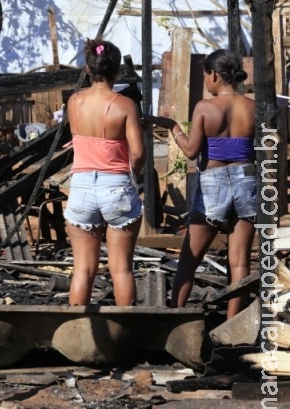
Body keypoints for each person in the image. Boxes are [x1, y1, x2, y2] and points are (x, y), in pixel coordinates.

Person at [148, 49, 255, 319]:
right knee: (240, 261)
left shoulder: (205, 108)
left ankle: (174, 321)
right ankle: (233, 327)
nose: (206, 81)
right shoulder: (253, 106)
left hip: (213, 185)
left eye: (206, 75)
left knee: (188, 261)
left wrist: (173, 126)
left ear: (214, 75)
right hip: (247, 181)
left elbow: (191, 151)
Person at [64, 38, 146, 306]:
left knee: (83, 270)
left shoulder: (74, 102)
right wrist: (134, 174)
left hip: (81, 188)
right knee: (121, 268)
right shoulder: (125, 106)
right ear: (117, 70)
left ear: (88, 69)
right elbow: (139, 153)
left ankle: (75, 334)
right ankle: (127, 338)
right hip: (117, 187)